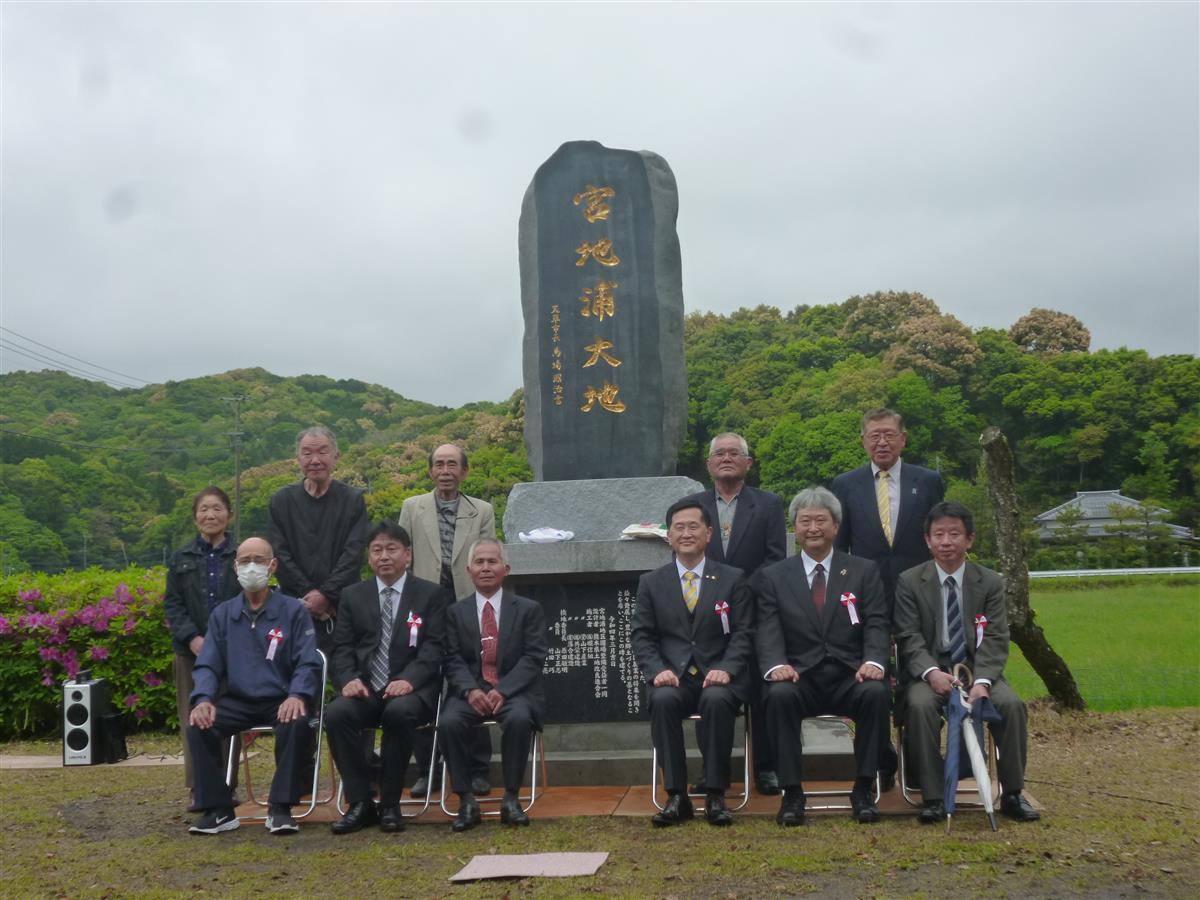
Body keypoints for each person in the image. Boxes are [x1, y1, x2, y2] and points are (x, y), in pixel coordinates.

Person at [893, 501, 1040, 823]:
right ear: (927, 541)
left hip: (977, 671)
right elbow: (908, 636)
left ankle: (1012, 794)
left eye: (955, 534)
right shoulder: (909, 581)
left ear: (969, 539)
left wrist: (984, 682)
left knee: (1012, 705)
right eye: (939, 534)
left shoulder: (989, 582)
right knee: (918, 706)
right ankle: (933, 797)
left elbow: (997, 637)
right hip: (929, 672)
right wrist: (931, 673)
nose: (947, 542)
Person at [753, 487, 890, 826]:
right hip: (801, 676)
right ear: (794, 529)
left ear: (836, 526)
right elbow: (767, 628)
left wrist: (873, 661)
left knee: (875, 693)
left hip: (849, 674)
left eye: (821, 521)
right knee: (778, 695)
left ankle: (863, 788)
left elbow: (876, 622)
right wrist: (776, 665)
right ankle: (792, 792)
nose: (813, 528)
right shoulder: (773, 576)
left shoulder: (863, 570)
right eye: (805, 521)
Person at [830, 407, 945, 786]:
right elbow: (841, 549)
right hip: (864, 598)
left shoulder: (928, 481)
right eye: (874, 435)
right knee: (871, 680)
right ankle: (881, 760)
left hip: (917, 595)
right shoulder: (845, 484)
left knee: (916, 675)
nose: (882, 442)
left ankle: (919, 763)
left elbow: (937, 538)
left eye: (889, 434)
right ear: (863, 441)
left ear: (903, 438)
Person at [185, 536, 321, 836]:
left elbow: (308, 661)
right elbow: (207, 663)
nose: (251, 567)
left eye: (258, 560)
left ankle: (281, 808)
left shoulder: (293, 611)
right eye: (244, 561)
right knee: (199, 725)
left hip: (282, 698)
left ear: (272, 566)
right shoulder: (223, 614)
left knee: (297, 722)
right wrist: (204, 698)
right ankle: (218, 809)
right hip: (238, 700)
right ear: (235, 567)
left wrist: (298, 694)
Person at [631, 499, 752, 827]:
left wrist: (727, 667)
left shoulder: (732, 578)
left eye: (693, 526)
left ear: (709, 533)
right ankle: (676, 795)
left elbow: (744, 633)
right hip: (675, 677)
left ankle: (715, 794)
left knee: (715, 700)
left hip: (720, 677)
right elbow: (642, 636)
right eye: (678, 528)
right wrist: (658, 671)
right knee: (663, 700)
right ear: (668, 536)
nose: (686, 533)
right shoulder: (651, 583)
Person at [325, 523, 451, 834]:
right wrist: (348, 680)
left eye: (392, 549)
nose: (384, 556)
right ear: (369, 558)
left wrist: (409, 679)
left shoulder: (430, 594)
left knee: (399, 712)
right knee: (337, 713)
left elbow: (435, 647)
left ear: (407, 555)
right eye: (377, 550)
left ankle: (391, 804)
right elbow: (342, 648)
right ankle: (360, 802)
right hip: (366, 688)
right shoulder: (353, 595)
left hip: (412, 689)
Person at [682, 432, 786, 795]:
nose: (726, 458)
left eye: (734, 453)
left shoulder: (769, 504)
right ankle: (715, 770)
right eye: (719, 454)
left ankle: (766, 767)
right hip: (705, 616)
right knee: (707, 686)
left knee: (762, 691)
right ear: (709, 464)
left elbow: (775, 560)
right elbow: (687, 556)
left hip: (755, 612)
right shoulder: (692, 506)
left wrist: (739, 590)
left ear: (748, 463)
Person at [399, 443, 496, 798]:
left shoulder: (481, 510)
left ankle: (477, 768)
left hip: (466, 608)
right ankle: (427, 769)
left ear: (464, 471)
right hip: (422, 609)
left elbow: (486, 556)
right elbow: (403, 556)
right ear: (430, 471)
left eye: (452, 464)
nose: (445, 471)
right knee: (423, 687)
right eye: (438, 464)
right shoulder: (412, 507)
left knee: (474, 680)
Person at [438, 539, 547, 831]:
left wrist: (504, 690)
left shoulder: (528, 609)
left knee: (520, 719)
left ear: (506, 569)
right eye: (480, 562)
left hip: (514, 692)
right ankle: (465, 800)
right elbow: (451, 658)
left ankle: (511, 798)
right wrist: (470, 690)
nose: (486, 568)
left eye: (492, 561)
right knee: (448, 722)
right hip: (470, 692)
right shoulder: (454, 613)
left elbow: (534, 656)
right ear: (469, 570)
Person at [163, 486, 241, 803]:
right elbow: (173, 605)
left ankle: (225, 785)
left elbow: (247, 602)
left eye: (217, 508)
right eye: (204, 509)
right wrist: (193, 638)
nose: (210, 515)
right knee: (193, 716)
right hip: (189, 652)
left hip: (232, 652)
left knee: (227, 716)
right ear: (195, 518)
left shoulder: (241, 556)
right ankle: (199, 788)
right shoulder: (181, 557)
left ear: (229, 515)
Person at [267, 426, 368, 655]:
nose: (315, 460)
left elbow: (353, 554)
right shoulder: (281, 501)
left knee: (345, 676)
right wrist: (309, 595)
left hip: (341, 606)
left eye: (322, 452)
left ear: (336, 456)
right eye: (307, 453)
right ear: (297, 458)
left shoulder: (353, 500)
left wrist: (326, 595)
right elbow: (278, 553)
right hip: (294, 604)